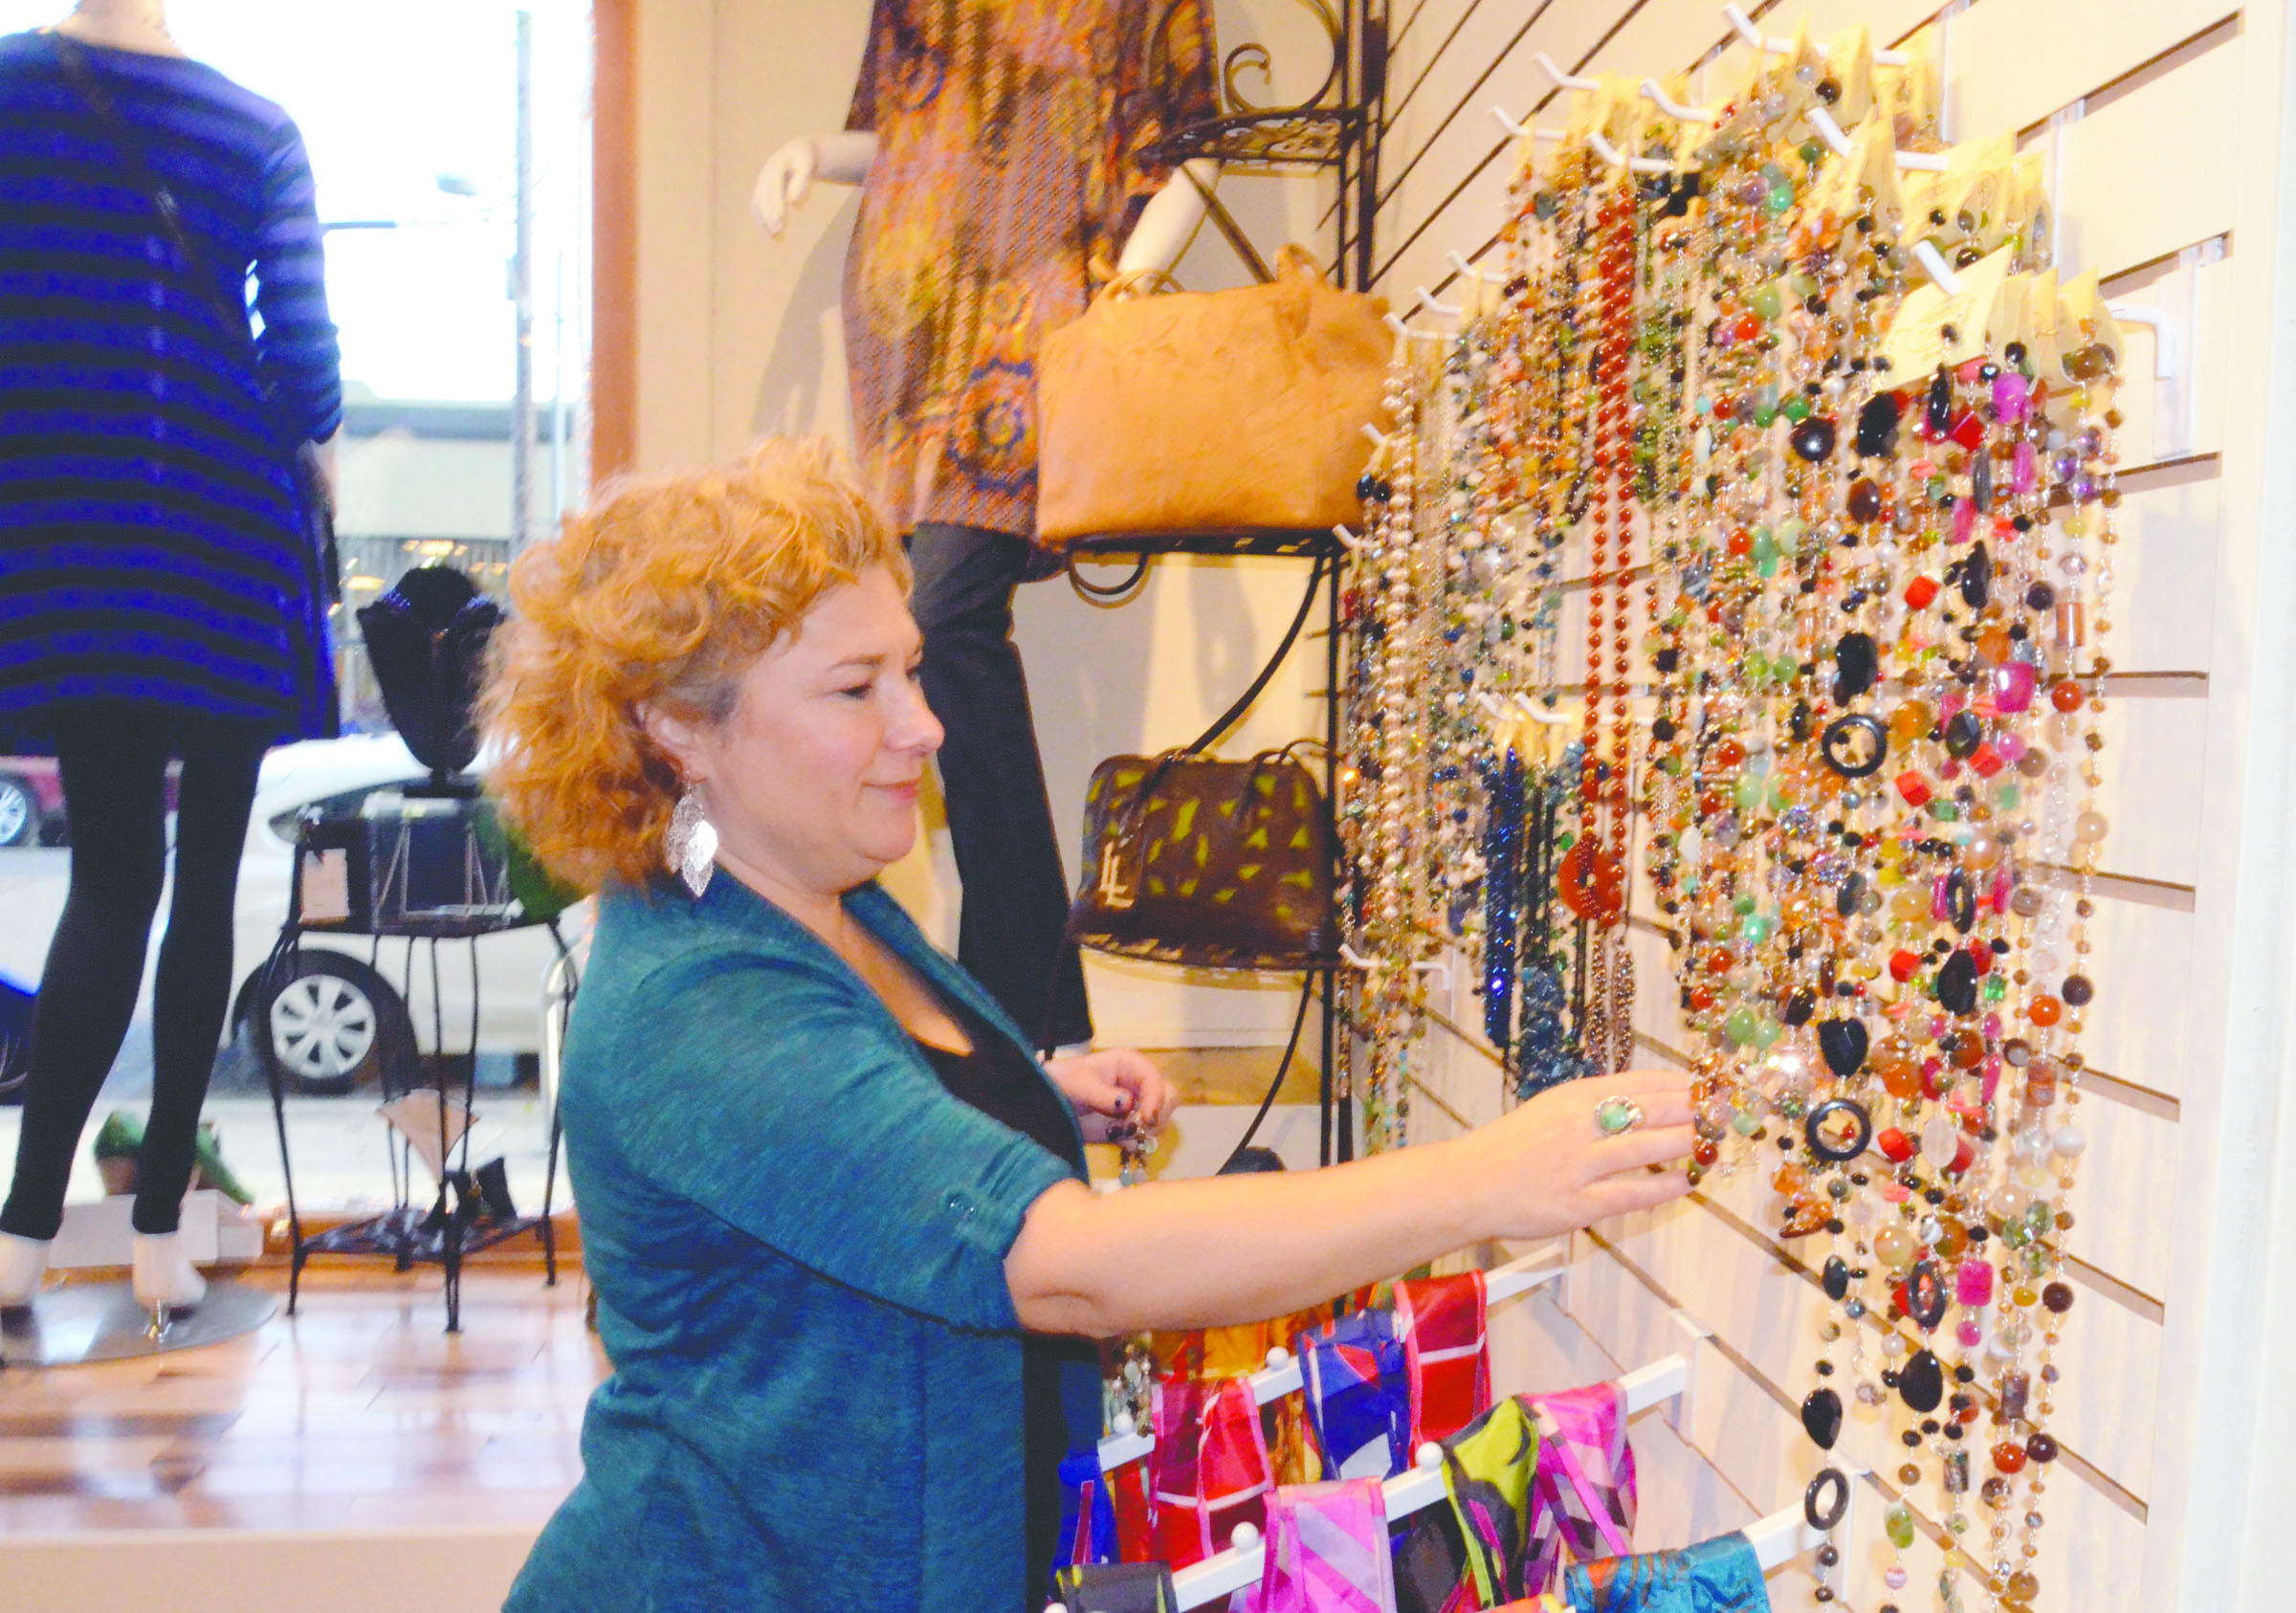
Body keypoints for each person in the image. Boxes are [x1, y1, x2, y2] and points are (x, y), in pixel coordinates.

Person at [484, 440, 1695, 1613]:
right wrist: (1486, 1177)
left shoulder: (821, 897)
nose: (924, 724)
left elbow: (844, 1132)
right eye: (858, 689)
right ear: (677, 730)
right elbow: (1071, 1271)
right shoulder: (703, 1004)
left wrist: (1015, 1087)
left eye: (909, 669)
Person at [753, 0, 1225, 1051]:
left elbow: (1194, 142)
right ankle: (989, 994)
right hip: (907, 323)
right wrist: (810, 153)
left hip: (1036, 309)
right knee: (915, 646)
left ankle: (1026, 1001)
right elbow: (913, 120)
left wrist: (1130, 285)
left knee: (951, 619)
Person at [0, 2, 342, 1315]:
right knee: (204, 888)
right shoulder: (256, 130)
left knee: (109, 880)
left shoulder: (16, 93)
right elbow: (303, 369)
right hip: (224, 543)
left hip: (80, 544)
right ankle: (160, 1239)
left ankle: (26, 1234)